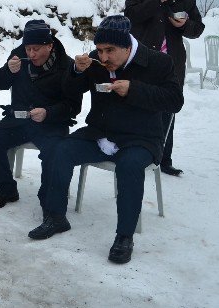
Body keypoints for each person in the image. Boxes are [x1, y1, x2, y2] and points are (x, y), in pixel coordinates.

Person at [28, 15, 183, 264]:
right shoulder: (95, 61)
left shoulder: (158, 62)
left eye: (110, 50)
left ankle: (124, 236)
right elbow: (69, 91)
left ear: (127, 47)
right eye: (100, 50)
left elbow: (175, 101)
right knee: (60, 149)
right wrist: (77, 72)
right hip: (100, 132)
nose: (103, 57)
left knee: (130, 166)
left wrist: (134, 89)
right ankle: (56, 216)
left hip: (141, 137)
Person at [0, 20, 81, 212]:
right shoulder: (19, 56)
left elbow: (73, 106)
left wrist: (48, 112)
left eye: (36, 49)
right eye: (28, 48)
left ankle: (49, 199)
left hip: (52, 123)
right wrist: (8, 71)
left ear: (50, 45)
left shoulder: (66, 65)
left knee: (54, 152)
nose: (31, 54)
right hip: (19, 118)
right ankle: (7, 189)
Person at [125, 0, 205, 176]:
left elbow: (197, 29)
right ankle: (133, 154)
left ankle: (163, 158)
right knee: (137, 105)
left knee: (167, 110)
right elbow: (131, 18)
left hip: (171, 64)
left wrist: (185, 25)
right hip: (142, 61)